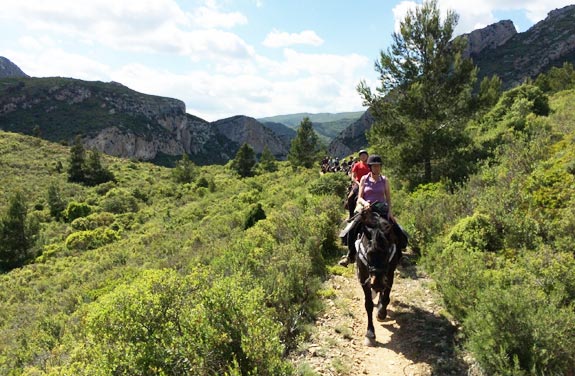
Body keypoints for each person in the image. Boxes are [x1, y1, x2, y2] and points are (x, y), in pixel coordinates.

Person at [339, 154, 393, 267]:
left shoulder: (384, 180)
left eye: (378, 166)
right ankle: (350, 255)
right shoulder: (364, 179)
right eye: (374, 166)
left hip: (381, 209)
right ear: (370, 167)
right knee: (353, 228)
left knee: (396, 229)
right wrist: (365, 203)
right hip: (367, 209)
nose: (376, 168)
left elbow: (388, 198)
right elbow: (359, 197)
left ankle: (400, 256)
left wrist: (390, 212)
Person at [345, 150, 370, 219]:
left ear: (367, 156)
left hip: (369, 184)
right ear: (359, 157)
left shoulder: (370, 165)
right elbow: (353, 176)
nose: (363, 157)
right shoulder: (357, 165)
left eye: (364, 155)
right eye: (361, 155)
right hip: (358, 183)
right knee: (350, 197)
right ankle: (351, 215)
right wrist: (358, 183)